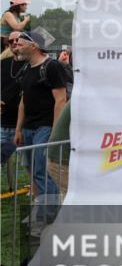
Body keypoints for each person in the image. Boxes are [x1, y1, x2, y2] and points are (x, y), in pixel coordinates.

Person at [12, 31, 66, 223]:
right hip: (29, 128)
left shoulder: (52, 66)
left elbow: (60, 100)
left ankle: (49, 217)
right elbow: (23, 102)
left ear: (33, 45)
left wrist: (55, 131)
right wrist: (18, 129)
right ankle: (43, 211)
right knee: (34, 171)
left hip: (45, 127)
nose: (15, 45)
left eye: (20, 42)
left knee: (43, 171)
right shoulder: (26, 68)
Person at [1, 31, 26, 191]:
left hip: (27, 125)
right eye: (11, 41)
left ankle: (40, 197)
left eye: (18, 39)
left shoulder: (32, 63)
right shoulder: (3, 64)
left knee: (32, 164)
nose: (15, 43)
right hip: (4, 123)